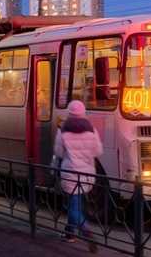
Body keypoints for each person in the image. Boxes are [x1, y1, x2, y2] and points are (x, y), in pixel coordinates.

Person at [53, 100, 102, 253]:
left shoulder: (63, 130)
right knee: (77, 204)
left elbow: (59, 153)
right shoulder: (92, 130)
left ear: (69, 113)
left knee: (74, 206)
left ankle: (87, 232)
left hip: (70, 172)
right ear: (83, 113)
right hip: (86, 173)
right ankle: (69, 233)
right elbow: (97, 151)